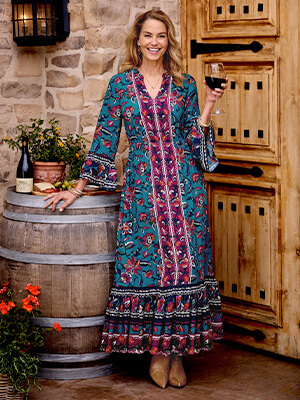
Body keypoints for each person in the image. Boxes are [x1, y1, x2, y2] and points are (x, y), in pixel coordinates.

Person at [45, 9, 226, 389]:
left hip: (185, 191)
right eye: (148, 36)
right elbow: (105, 138)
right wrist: (77, 187)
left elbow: (197, 146)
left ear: (168, 40)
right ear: (138, 40)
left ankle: (176, 355)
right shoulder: (122, 86)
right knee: (155, 270)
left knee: (185, 272)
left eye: (161, 36)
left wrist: (208, 104)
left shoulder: (185, 84)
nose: (155, 42)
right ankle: (159, 353)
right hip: (144, 193)